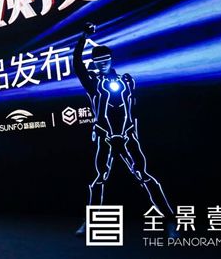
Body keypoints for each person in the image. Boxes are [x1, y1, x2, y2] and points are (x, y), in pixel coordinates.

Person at [73, 22, 176, 237]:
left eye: (105, 59)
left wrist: (128, 133)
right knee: (99, 178)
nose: (102, 63)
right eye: (98, 61)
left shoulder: (126, 81)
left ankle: (170, 220)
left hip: (127, 136)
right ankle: (89, 222)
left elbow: (131, 109)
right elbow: (78, 65)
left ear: (111, 60)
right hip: (105, 137)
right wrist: (83, 38)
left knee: (144, 175)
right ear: (94, 63)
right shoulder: (93, 83)